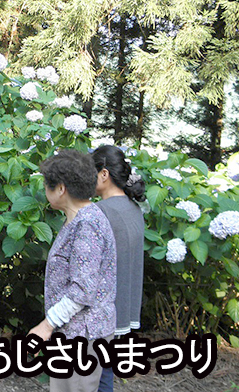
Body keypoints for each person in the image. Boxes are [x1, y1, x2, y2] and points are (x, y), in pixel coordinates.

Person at [28, 149, 116, 392]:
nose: (46, 191)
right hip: (79, 332)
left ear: (61, 189)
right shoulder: (80, 218)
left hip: (84, 336)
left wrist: (46, 326)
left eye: (48, 185)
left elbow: (83, 289)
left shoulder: (87, 223)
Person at [92, 146, 146, 392]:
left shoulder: (102, 212)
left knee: (98, 378)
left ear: (104, 174)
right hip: (124, 308)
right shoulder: (133, 208)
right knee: (105, 374)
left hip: (102, 313)